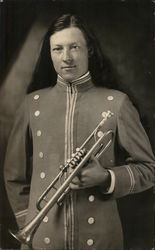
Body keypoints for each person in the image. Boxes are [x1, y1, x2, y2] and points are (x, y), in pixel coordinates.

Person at [4, 14, 155, 250]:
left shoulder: (117, 103)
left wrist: (106, 177)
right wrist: (29, 222)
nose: (66, 58)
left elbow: (149, 169)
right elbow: (14, 176)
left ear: (90, 50)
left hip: (101, 240)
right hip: (42, 239)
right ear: (50, 54)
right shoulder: (31, 104)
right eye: (57, 49)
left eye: (74, 47)